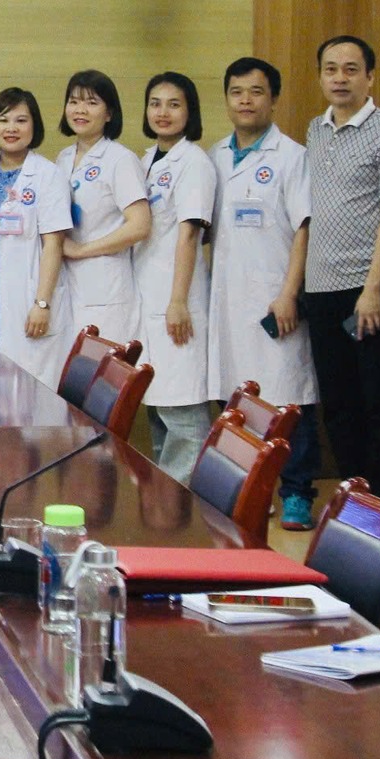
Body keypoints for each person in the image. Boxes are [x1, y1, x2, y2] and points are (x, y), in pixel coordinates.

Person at [207, 58, 320, 529]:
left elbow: (304, 228)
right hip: (227, 298)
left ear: (273, 99)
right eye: (237, 92)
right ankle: (253, 490)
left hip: (275, 295)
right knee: (235, 397)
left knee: (288, 398)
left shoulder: (292, 157)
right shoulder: (214, 156)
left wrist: (289, 292)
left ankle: (297, 493)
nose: (246, 101)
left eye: (256, 92)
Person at [302, 35, 380, 501]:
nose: (340, 78)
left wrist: (372, 289)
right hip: (320, 288)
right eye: (331, 69)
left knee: (376, 404)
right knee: (338, 405)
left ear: (370, 77)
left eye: (351, 69)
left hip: (368, 289)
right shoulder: (315, 129)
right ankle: (353, 500)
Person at [135, 72, 217, 484]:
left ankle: (187, 502)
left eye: (174, 104)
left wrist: (179, 300)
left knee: (183, 412)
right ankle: (165, 499)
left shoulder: (195, 163)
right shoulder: (147, 160)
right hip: (149, 297)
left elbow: (189, 233)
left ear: (190, 112)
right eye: (155, 103)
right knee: (159, 406)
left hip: (176, 298)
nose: (162, 112)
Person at [0, 87, 70, 381]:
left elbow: (54, 244)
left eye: (21, 121)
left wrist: (42, 303)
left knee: (22, 388)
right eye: (3, 120)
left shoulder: (48, 175)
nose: (11, 128)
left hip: (26, 295)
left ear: (34, 126)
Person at [55, 70, 150, 346]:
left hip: (106, 285)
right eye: (74, 101)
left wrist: (82, 250)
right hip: (69, 282)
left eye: (92, 102)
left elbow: (140, 225)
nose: (80, 110)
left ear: (109, 113)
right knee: (71, 365)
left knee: (99, 365)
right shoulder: (63, 158)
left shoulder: (120, 159)